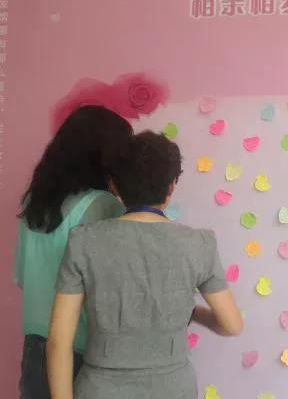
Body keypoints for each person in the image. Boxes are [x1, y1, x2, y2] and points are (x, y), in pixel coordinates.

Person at [47, 131, 243, 399]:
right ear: (171, 186)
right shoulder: (199, 243)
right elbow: (231, 325)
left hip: (101, 389)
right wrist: (191, 313)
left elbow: (59, 343)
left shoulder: (83, 242)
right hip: (173, 389)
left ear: (114, 186)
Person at [14, 105, 133, 399]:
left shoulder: (34, 203)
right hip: (79, 352)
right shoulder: (103, 205)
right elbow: (112, 292)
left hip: (33, 350)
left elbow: (22, 278)